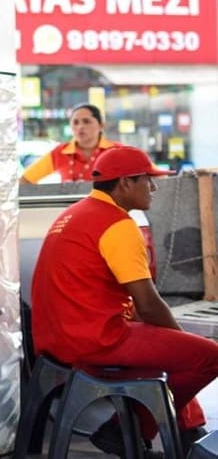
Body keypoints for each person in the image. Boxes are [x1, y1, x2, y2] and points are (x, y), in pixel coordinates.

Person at [30, 145, 218, 455]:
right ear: (125, 183)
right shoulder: (117, 225)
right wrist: (179, 339)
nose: (153, 188)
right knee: (207, 356)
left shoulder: (76, 213)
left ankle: (188, 430)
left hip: (56, 339)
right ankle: (120, 430)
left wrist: (175, 343)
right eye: (147, 179)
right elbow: (148, 304)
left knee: (176, 350)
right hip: (94, 341)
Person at [21, 103, 118, 183]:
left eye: (86, 121)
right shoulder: (60, 152)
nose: (80, 127)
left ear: (101, 125)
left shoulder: (116, 151)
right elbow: (25, 179)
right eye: (75, 122)